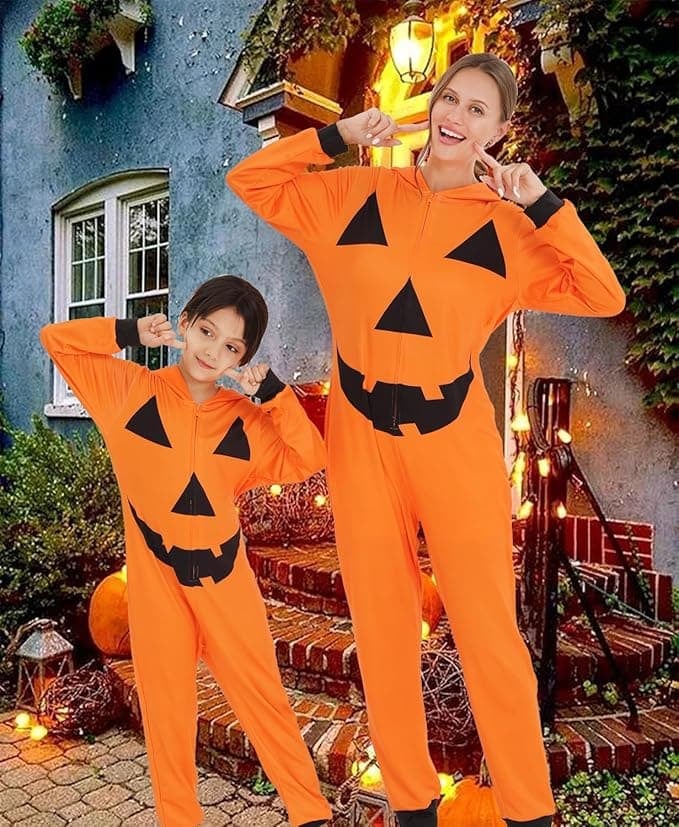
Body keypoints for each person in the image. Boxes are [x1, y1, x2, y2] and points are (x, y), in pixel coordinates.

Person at [226, 52, 626, 827]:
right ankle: (410, 806)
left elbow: (600, 292)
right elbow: (253, 181)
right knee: (380, 629)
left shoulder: (508, 229)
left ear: (499, 131)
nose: (457, 116)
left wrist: (540, 202)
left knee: (487, 633)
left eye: (479, 110)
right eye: (450, 98)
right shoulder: (352, 194)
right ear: (428, 105)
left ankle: (528, 811)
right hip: (361, 438)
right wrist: (340, 134)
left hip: (454, 440)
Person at [41, 275, 332, 827]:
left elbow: (308, 456)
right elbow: (57, 339)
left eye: (232, 347)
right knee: (168, 713)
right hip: (156, 580)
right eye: (206, 331)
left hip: (226, 579)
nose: (212, 351)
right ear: (185, 323)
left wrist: (273, 397)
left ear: (243, 358)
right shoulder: (127, 391)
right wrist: (128, 331)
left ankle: (310, 812)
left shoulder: (246, 421)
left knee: (262, 698)